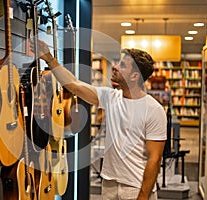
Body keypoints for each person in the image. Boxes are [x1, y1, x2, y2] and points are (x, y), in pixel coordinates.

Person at [33, 40, 167, 200]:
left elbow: (155, 158)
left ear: (135, 76)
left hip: (136, 187)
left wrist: (143, 196)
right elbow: (74, 85)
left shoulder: (153, 109)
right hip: (109, 184)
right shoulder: (111, 97)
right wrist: (49, 58)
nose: (115, 67)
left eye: (123, 65)